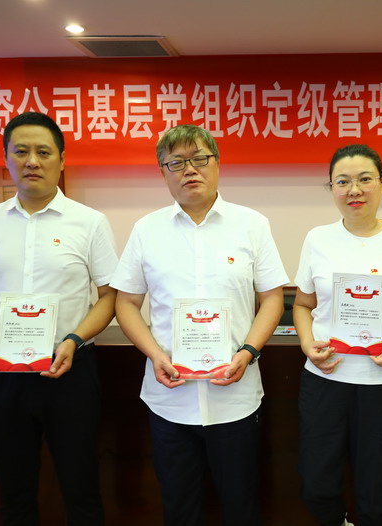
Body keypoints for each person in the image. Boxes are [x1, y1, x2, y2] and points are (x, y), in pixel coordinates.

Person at [111, 124, 288, 526]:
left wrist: (248, 352)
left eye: (199, 159)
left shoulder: (251, 224)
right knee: (179, 508)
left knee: (242, 506)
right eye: (176, 162)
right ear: (163, 172)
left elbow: (272, 298)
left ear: (217, 164)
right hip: (169, 398)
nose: (190, 169)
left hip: (235, 397)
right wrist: (154, 354)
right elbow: (126, 303)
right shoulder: (146, 230)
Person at [0, 112, 118, 525]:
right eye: (21, 151)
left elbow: (109, 298)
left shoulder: (90, 222)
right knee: (13, 492)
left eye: (43, 152)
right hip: (3, 373)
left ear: (61, 160)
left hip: (70, 370)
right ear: (6, 158)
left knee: (82, 489)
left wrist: (74, 340)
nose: (32, 161)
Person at [293, 144, 382, 526]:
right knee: (316, 484)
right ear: (331, 188)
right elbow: (302, 304)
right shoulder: (317, 239)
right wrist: (307, 344)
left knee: (379, 492)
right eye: (342, 182)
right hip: (326, 378)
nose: (353, 190)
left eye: (364, 179)